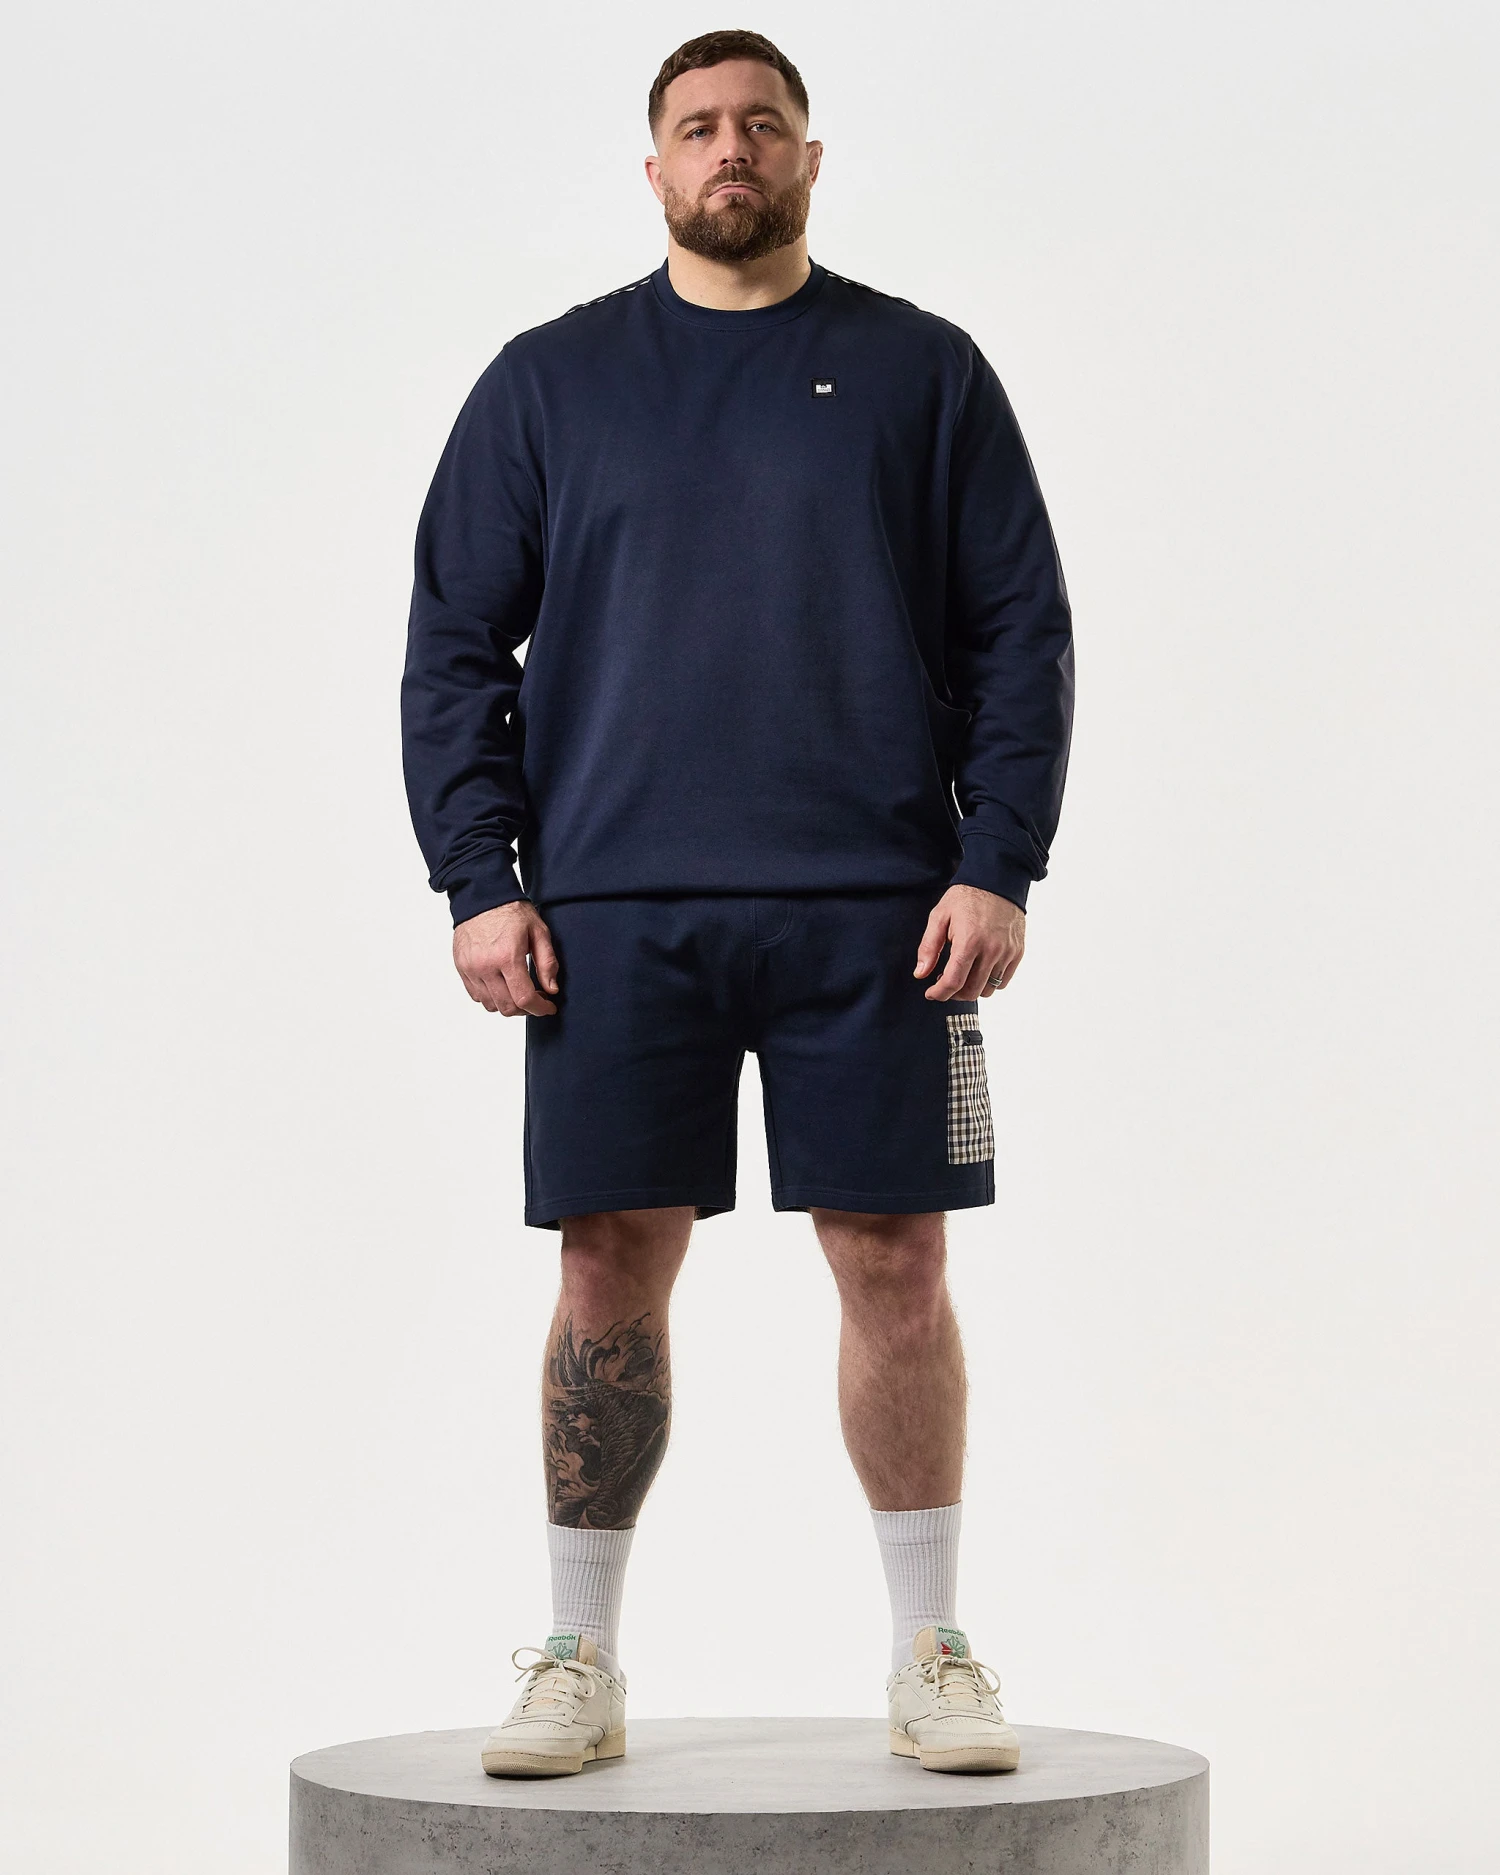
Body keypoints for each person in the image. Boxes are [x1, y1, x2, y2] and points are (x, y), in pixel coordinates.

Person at [401, 27, 1074, 1779]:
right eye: (698, 127)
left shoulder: (923, 371)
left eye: (761, 124)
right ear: (654, 169)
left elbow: (1021, 631)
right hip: (614, 910)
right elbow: (455, 644)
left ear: (809, 157)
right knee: (606, 1268)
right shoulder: (551, 382)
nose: (731, 150)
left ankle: (930, 1644)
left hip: (882, 909)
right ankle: (579, 1651)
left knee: (899, 1263)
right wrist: (481, 879)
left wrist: (997, 855)